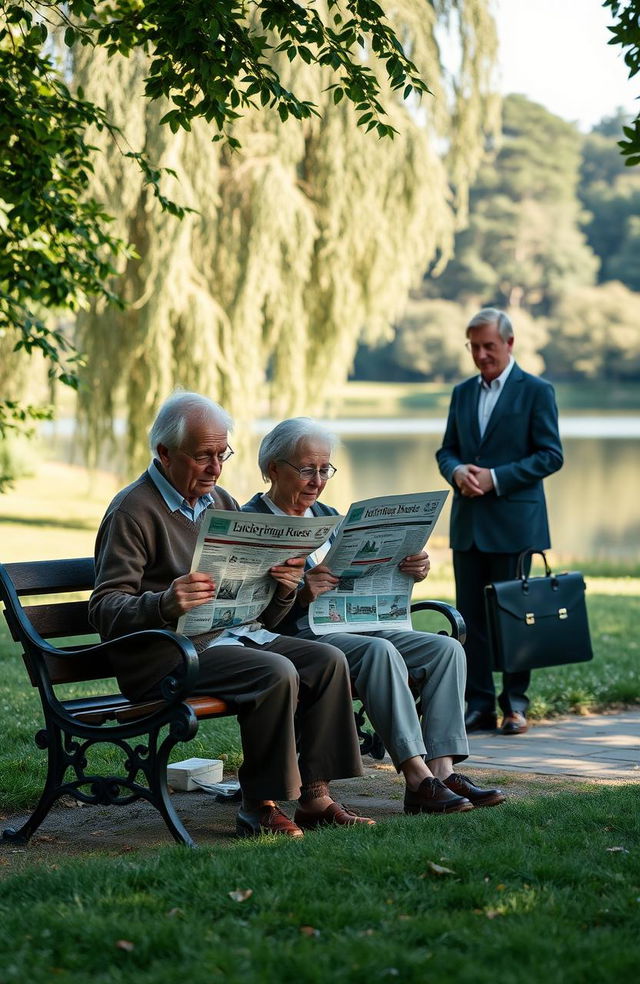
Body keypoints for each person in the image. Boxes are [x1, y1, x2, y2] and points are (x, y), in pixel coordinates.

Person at [89, 392, 374, 838]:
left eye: (222, 455)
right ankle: (258, 805)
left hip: (229, 637)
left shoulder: (220, 501)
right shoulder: (133, 510)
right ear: (164, 454)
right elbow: (104, 608)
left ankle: (315, 798)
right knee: (275, 671)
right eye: (203, 456)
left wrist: (282, 588)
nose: (215, 468)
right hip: (166, 656)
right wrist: (165, 602)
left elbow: (258, 605)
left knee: (327, 661)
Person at [243, 417, 506, 814]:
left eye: (324, 469)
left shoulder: (328, 515)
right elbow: (249, 614)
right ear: (273, 469)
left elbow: (360, 579)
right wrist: (301, 596)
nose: (317, 480)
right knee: (379, 651)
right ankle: (417, 779)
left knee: (445, 649)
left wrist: (408, 569)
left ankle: (442, 770)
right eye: (307, 469)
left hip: (353, 626)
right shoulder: (254, 523)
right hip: (298, 639)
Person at [436, 308, 564, 735]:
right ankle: (478, 705)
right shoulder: (462, 392)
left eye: (489, 345)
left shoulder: (537, 390)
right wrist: (457, 471)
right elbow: (447, 450)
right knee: (468, 618)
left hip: (514, 525)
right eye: (474, 346)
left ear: (509, 344)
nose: (481, 354)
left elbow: (551, 455)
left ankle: (515, 706)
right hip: (468, 524)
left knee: (513, 617)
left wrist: (496, 478)